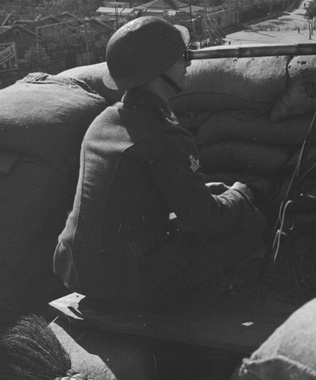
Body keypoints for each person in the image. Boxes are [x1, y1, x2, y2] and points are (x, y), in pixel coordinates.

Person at [54, 16, 266, 303]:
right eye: (182, 57)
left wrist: (211, 194)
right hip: (127, 278)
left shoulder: (104, 120)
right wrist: (239, 195)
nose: (188, 64)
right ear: (159, 71)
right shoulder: (164, 135)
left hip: (78, 270)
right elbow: (207, 220)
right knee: (247, 224)